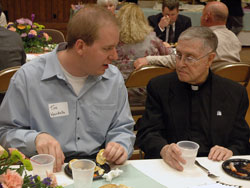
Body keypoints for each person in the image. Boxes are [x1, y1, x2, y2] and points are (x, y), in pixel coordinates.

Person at [0, 5, 135, 172]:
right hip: (46, 170)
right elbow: (5, 132)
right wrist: (35, 139)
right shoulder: (29, 78)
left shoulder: (113, 79)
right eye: (107, 48)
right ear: (80, 46)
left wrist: (120, 145)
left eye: (115, 47)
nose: (114, 56)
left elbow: (122, 127)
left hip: (99, 171)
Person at [136, 26, 250, 171]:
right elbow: (147, 133)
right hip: (170, 168)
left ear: (210, 59)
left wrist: (230, 151)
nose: (180, 64)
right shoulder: (160, 87)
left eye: (189, 57)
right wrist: (163, 149)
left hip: (215, 169)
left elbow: (241, 140)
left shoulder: (234, 93)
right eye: (178, 55)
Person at [134, 1, 241, 70]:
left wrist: (149, 60)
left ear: (207, 17)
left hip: (207, 85)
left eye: (202, 13)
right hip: (231, 86)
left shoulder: (205, 38)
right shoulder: (234, 38)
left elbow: (179, 60)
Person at [114, 3, 170, 106]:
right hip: (150, 93)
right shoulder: (153, 39)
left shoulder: (113, 41)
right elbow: (170, 57)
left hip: (120, 94)